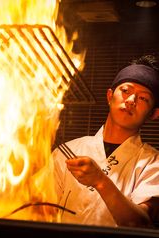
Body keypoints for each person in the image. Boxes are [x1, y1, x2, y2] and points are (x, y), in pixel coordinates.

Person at [52, 55, 159, 228]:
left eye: (143, 98)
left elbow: (142, 224)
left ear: (152, 114)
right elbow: (39, 206)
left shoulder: (153, 164)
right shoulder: (68, 150)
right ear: (110, 96)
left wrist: (101, 181)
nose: (131, 100)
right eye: (126, 91)